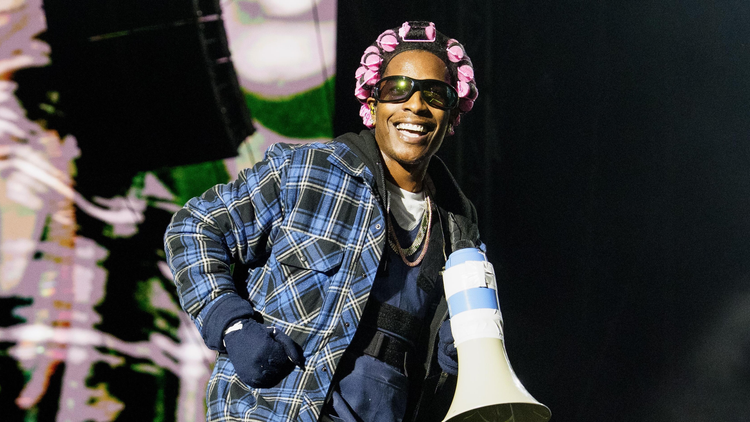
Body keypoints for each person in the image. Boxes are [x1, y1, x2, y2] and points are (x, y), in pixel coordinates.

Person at [164, 21, 480, 422]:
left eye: (436, 94)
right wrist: (231, 324)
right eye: (396, 89)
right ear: (372, 104)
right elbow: (194, 227)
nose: (416, 105)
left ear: (452, 116)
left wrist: (455, 361)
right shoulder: (308, 171)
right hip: (276, 411)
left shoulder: (457, 229)